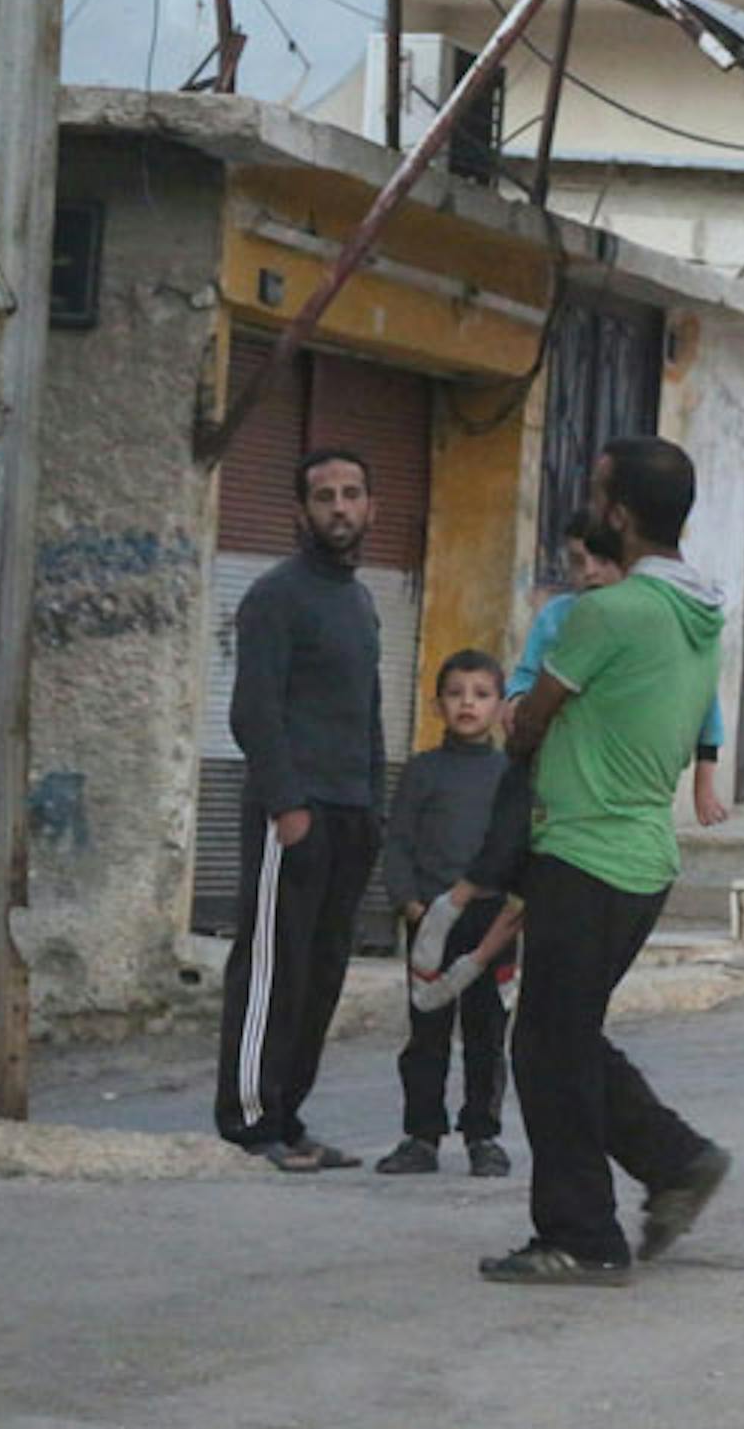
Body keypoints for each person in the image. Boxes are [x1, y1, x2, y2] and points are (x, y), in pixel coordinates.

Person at [486, 437, 734, 1287]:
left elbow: (525, 724)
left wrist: (524, 717)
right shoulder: (699, 614)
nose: (589, 503)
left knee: (546, 1046)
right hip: (639, 859)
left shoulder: (607, 612)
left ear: (620, 514)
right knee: (565, 1034)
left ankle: (582, 1233)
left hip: (584, 852)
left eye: (597, 492)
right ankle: (677, 1159)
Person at [213, 447, 387, 1171]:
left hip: (352, 814)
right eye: (324, 496)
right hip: (298, 811)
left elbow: (370, 713)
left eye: (351, 493)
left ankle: (290, 1115)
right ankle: (251, 1120)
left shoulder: (361, 600)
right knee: (271, 967)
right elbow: (253, 711)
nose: (339, 507)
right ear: (301, 511)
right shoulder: (275, 596)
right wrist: (287, 805)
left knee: (322, 971)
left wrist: (375, 808)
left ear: (370, 507)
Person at [375, 650, 518, 1180]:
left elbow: (520, 845)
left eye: (481, 695)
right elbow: (398, 842)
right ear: (439, 705)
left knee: (487, 1034)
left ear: (500, 707)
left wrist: (516, 910)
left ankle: (483, 1136)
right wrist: (410, 904)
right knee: (426, 1035)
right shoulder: (422, 771)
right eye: (457, 694)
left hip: (493, 925)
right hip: (432, 922)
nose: (468, 704)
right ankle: (421, 1136)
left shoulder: (511, 774)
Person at [511, 513, 729, 831]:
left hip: (623, 773)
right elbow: (526, 675)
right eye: (576, 560)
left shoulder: (653, 619)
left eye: (601, 559)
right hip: (559, 769)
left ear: (626, 562)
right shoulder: (557, 617)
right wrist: (515, 700)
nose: (588, 571)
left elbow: (705, 706)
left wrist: (703, 783)